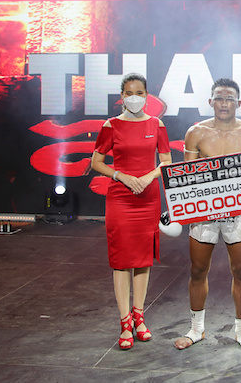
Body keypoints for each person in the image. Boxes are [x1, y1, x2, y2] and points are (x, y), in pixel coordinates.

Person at [174, 78, 241, 353]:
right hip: (205, 211)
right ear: (210, 101)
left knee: (240, 271)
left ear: (238, 103)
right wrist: (185, 208)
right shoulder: (196, 133)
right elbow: (187, 176)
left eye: (229, 99)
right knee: (198, 270)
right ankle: (196, 328)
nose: (224, 103)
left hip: (238, 210)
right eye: (219, 98)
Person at [91, 73, 172, 350]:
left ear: (146, 96)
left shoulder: (156, 124)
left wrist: (148, 177)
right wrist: (121, 176)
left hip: (148, 197)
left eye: (139, 93)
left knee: (142, 259)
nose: (134, 97)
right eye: (129, 93)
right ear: (122, 97)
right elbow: (97, 162)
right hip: (121, 198)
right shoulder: (111, 125)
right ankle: (125, 322)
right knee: (122, 259)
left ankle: (139, 317)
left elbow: (166, 161)